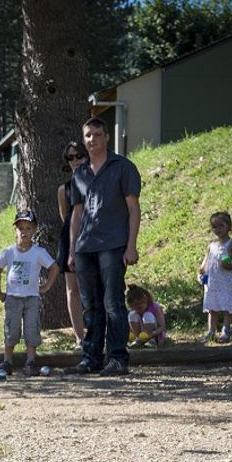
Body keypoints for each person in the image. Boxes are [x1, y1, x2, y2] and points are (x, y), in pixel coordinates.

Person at [66, 117, 142, 376]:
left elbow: (133, 208)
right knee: (91, 305)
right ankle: (91, 357)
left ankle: (118, 358)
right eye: (88, 135)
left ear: (106, 137)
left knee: (113, 302)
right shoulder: (80, 172)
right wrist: (71, 250)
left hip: (113, 244)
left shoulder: (123, 167)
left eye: (97, 134)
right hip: (85, 247)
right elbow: (76, 214)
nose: (92, 140)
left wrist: (131, 246)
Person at [0, 210, 58, 376]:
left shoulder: (38, 252)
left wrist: (47, 286)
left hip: (32, 298)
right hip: (13, 298)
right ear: (15, 230)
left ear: (35, 230)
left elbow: (54, 268)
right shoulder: (8, 252)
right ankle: (7, 361)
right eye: (20, 228)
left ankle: (30, 361)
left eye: (28, 228)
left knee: (31, 329)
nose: (24, 232)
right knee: (11, 329)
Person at [56, 141, 88, 350]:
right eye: (70, 157)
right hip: (70, 239)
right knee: (72, 290)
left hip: (96, 237)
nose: (75, 160)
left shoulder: (96, 182)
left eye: (78, 156)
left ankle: (98, 333)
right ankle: (79, 338)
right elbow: (65, 215)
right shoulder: (63, 189)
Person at [199, 211, 232, 343]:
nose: (217, 229)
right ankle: (211, 331)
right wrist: (201, 271)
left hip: (224, 281)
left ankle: (226, 329)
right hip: (212, 281)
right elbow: (206, 260)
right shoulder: (211, 245)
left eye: (221, 226)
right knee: (212, 307)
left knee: (226, 305)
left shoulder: (231, 244)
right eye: (214, 227)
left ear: (229, 226)